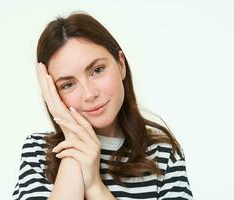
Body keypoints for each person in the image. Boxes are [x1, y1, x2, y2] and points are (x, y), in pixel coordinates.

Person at [12, 11, 193, 200]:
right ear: (52, 93)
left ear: (121, 64)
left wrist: (94, 186)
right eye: (67, 85)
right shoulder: (39, 152)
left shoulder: (163, 154)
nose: (90, 94)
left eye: (97, 70)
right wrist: (74, 142)